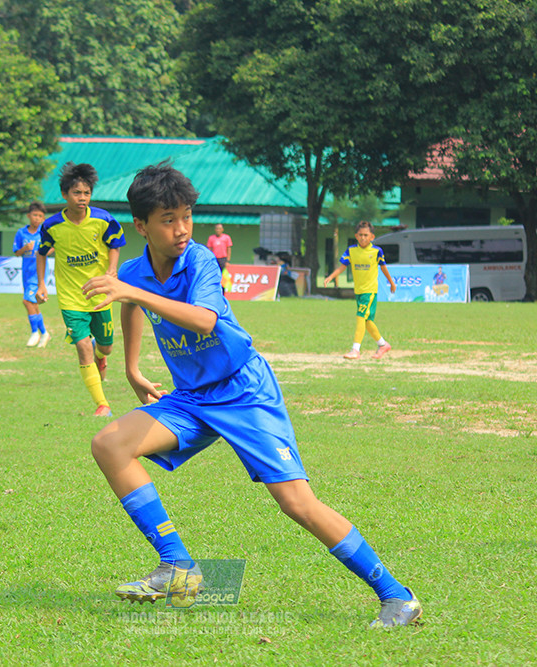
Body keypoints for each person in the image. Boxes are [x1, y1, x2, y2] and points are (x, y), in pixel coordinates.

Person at [82, 163, 422, 628]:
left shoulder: (200, 260)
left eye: (187, 216)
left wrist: (129, 291)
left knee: (297, 503)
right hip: (191, 398)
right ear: (141, 226)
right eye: (168, 220)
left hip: (243, 391)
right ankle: (178, 565)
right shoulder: (136, 273)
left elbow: (203, 320)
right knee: (109, 444)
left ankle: (397, 596)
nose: (182, 229)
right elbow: (132, 306)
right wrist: (132, 367)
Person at [36, 162, 125, 417]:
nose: (82, 198)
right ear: (65, 194)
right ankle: (102, 404)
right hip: (71, 297)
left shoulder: (103, 219)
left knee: (106, 347)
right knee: (82, 345)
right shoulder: (52, 225)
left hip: (100, 293)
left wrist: (111, 269)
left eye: (87, 193)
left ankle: (101, 356)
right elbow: (41, 253)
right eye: (77, 193)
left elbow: (115, 244)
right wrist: (41, 284)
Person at [323, 221, 397, 360]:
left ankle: (355, 350)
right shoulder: (351, 251)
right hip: (359, 291)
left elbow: (383, 268)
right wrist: (331, 277)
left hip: (370, 291)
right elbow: (342, 266)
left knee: (360, 317)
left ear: (372, 237)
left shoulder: (376, 251)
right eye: (360, 235)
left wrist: (391, 283)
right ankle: (383, 345)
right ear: (356, 236)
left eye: (366, 235)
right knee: (367, 322)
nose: (363, 238)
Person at [13, 202, 51, 348]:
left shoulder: (45, 232)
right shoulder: (21, 233)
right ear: (29, 216)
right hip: (27, 272)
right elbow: (17, 253)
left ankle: (35, 332)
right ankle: (45, 333)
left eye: (40, 216)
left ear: (43, 218)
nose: (37, 218)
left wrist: (42, 253)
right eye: (35, 215)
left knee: (27, 301)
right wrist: (25, 248)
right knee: (33, 303)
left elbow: (53, 246)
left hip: (39, 272)